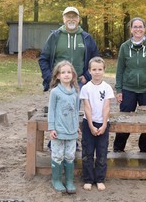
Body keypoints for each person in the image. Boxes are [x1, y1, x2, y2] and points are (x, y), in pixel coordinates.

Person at [38, 6, 99, 150]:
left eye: (74, 17)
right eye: (68, 16)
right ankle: (54, 141)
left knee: (73, 111)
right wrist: (50, 78)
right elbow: (43, 59)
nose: (71, 19)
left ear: (78, 19)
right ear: (63, 19)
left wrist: (88, 75)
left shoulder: (86, 38)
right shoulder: (55, 36)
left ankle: (73, 141)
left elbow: (96, 58)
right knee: (57, 111)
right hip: (59, 83)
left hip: (78, 83)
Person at [113, 17, 146, 153]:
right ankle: (118, 150)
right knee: (124, 121)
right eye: (135, 27)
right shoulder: (124, 47)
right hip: (128, 89)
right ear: (131, 29)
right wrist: (119, 89)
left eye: (140, 26)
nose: (138, 29)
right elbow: (120, 69)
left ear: (145, 29)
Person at [79, 57, 114, 191]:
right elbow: (87, 107)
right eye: (94, 69)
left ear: (104, 70)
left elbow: (107, 107)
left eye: (100, 69)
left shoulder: (107, 88)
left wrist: (104, 124)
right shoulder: (86, 88)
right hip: (89, 123)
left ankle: (100, 179)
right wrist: (91, 126)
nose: (97, 72)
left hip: (103, 123)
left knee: (101, 152)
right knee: (87, 152)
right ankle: (88, 179)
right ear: (89, 71)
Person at [48, 61, 80, 193]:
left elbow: (76, 111)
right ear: (57, 76)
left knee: (70, 155)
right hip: (59, 130)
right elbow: (51, 111)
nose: (66, 75)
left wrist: (77, 126)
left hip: (71, 131)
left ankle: (69, 181)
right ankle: (56, 180)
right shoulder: (55, 92)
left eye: (69, 72)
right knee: (57, 155)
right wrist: (51, 128)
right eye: (63, 72)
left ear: (73, 75)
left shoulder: (75, 93)